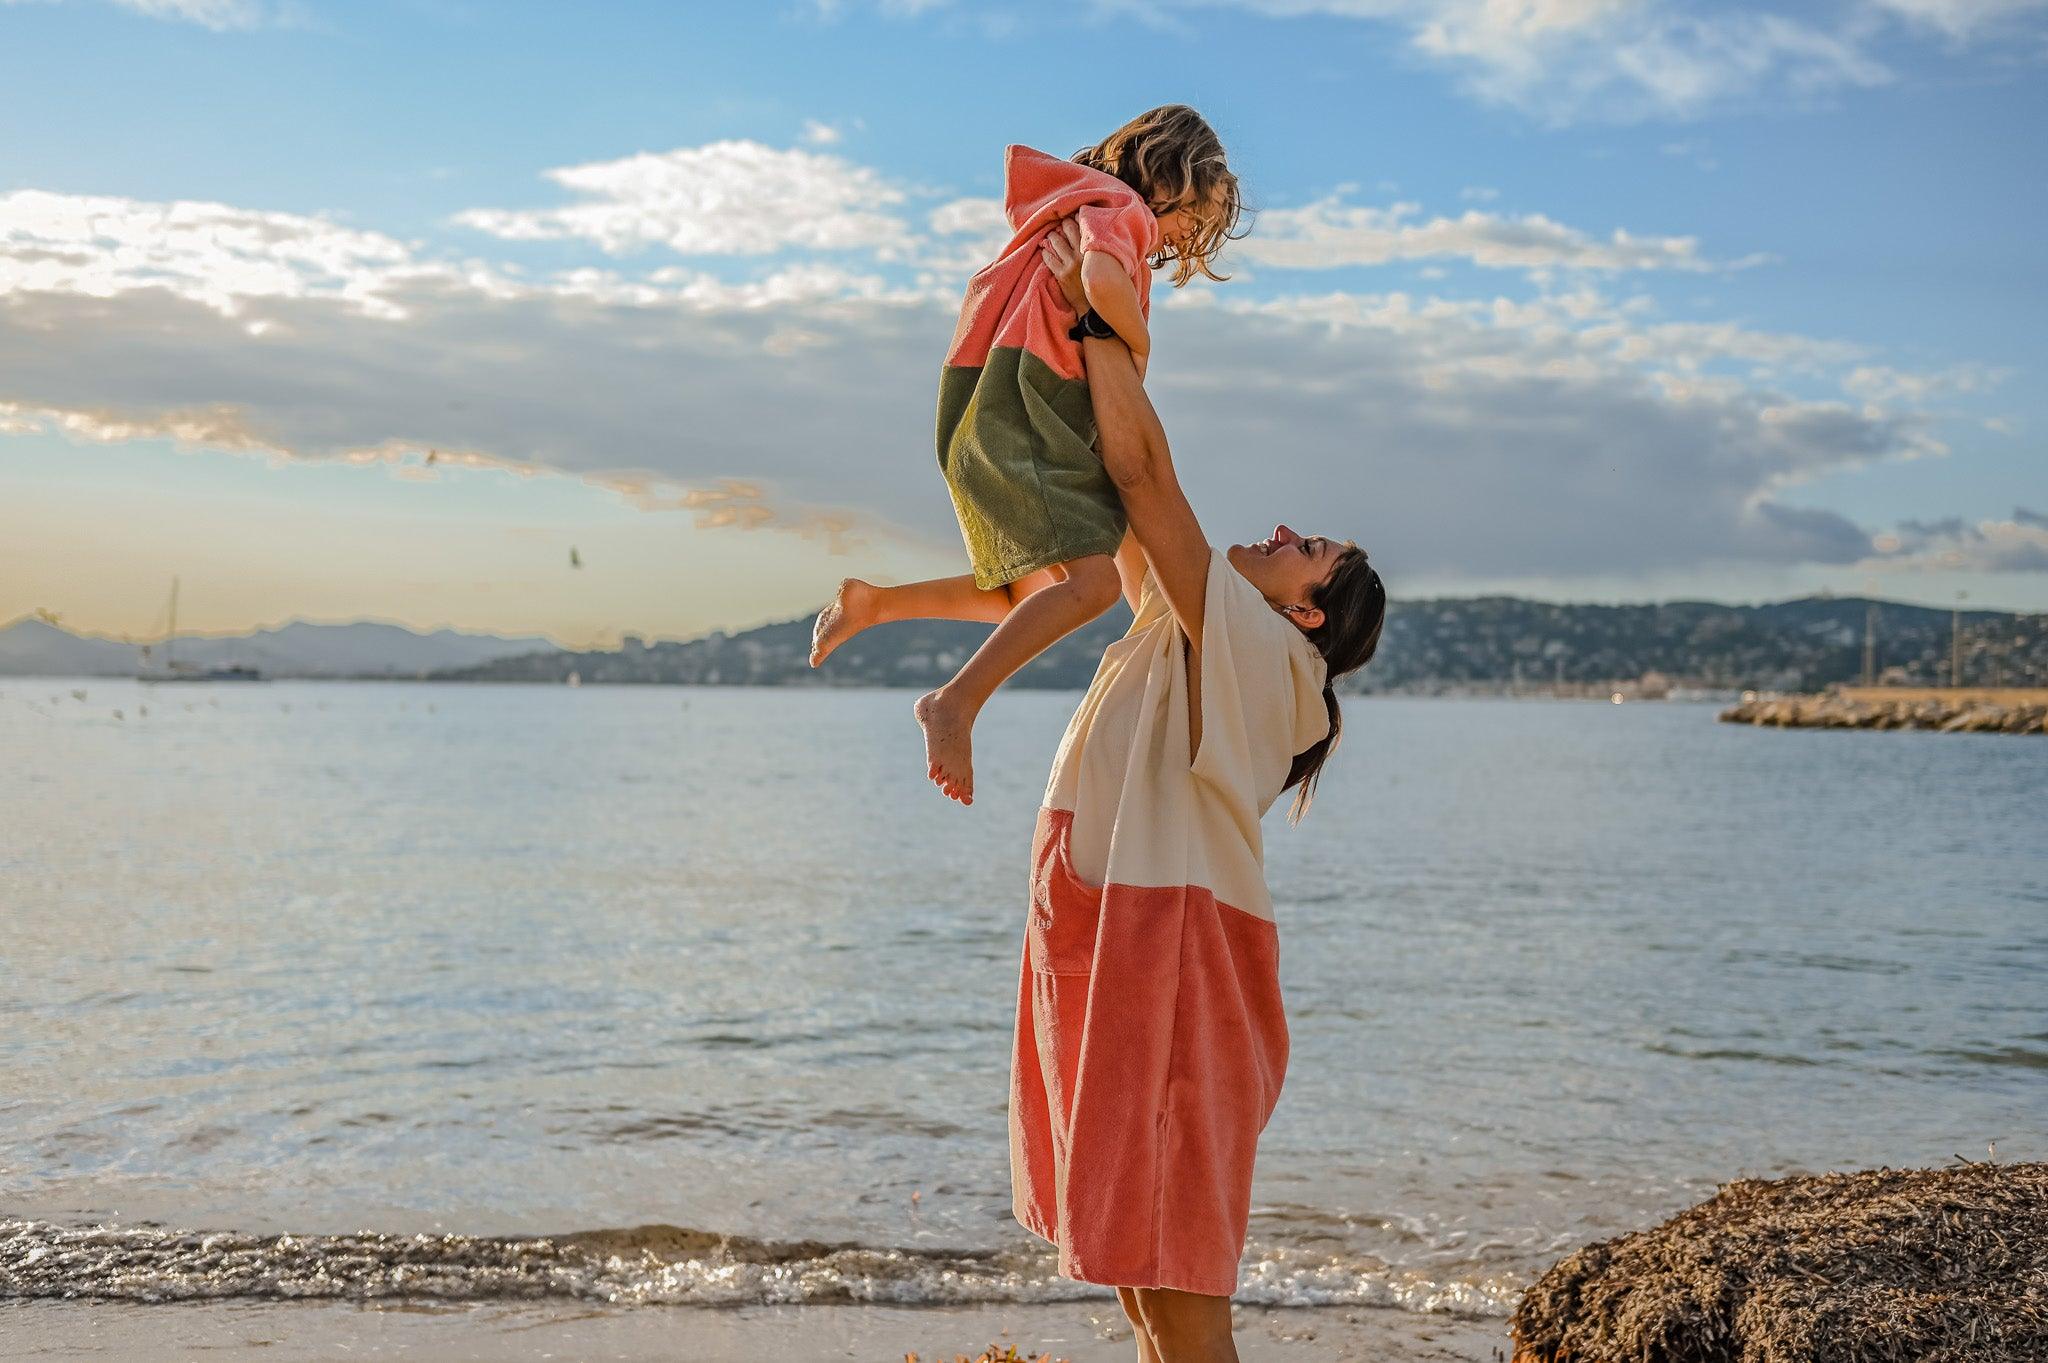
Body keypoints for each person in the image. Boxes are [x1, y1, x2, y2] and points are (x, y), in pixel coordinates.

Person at [1011, 219, 1386, 1363]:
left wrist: (1100, 318)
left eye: (1303, 546)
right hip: (1120, 943)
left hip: (1174, 967)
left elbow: (1145, 475)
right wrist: (1094, 328)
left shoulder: (1276, 670)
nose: (1278, 531)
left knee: (1178, 1289)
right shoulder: (1194, 630)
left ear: (1306, 613)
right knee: (1136, 1273)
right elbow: (1117, 499)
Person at [809, 105, 1246, 806]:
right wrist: (1138, 346)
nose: (1183, 239)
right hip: (1030, 409)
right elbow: (1099, 287)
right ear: (1170, 178)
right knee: (1094, 584)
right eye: (1191, 221)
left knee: (1033, 590)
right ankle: (954, 702)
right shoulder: (1121, 211)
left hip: (995, 406)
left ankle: (874, 603)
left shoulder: (1073, 205)